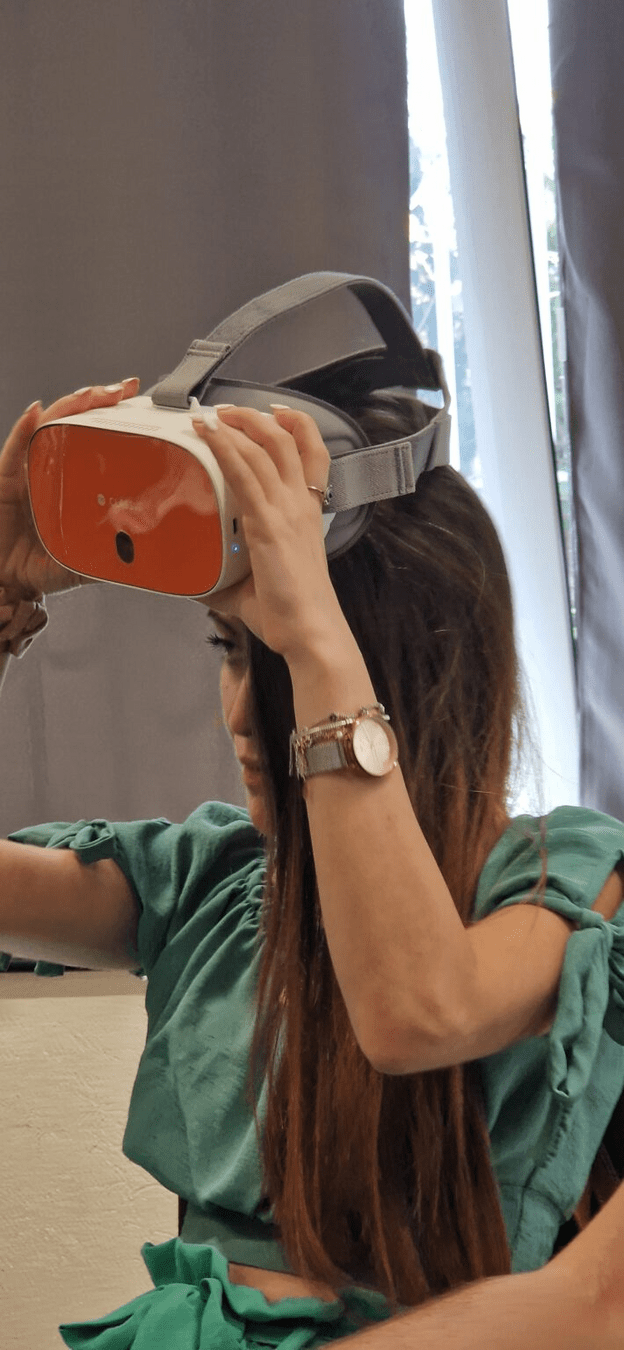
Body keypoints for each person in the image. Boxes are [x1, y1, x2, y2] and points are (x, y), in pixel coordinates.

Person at [2, 368, 624, 1350]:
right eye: (229, 649)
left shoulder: (564, 882)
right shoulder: (214, 883)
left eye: (284, 660)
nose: (243, 715)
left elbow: (416, 1009)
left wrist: (316, 641)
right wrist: (1, 592)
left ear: (407, 667)